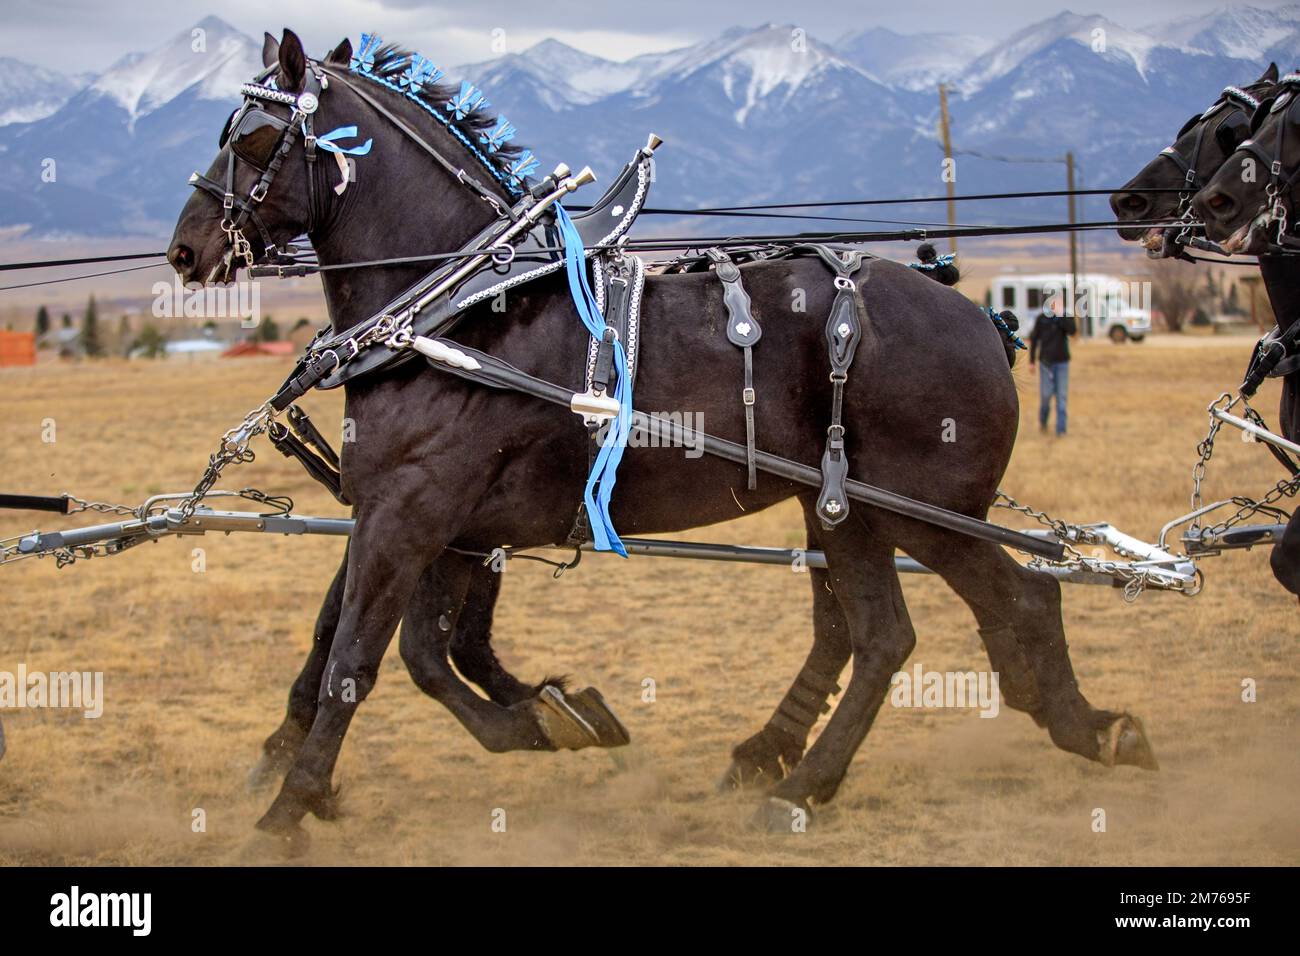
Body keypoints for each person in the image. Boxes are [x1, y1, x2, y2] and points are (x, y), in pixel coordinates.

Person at [1028, 307, 1076, 436]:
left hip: (1062, 363)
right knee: (1046, 396)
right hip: (1046, 363)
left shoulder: (1065, 316)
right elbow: (1034, 339)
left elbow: (1072, 331)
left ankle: (1061, 430)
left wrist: (1061, 317)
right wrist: (1032, 361)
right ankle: (1043, 422)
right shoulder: (1042, 319)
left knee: (1061, 397)